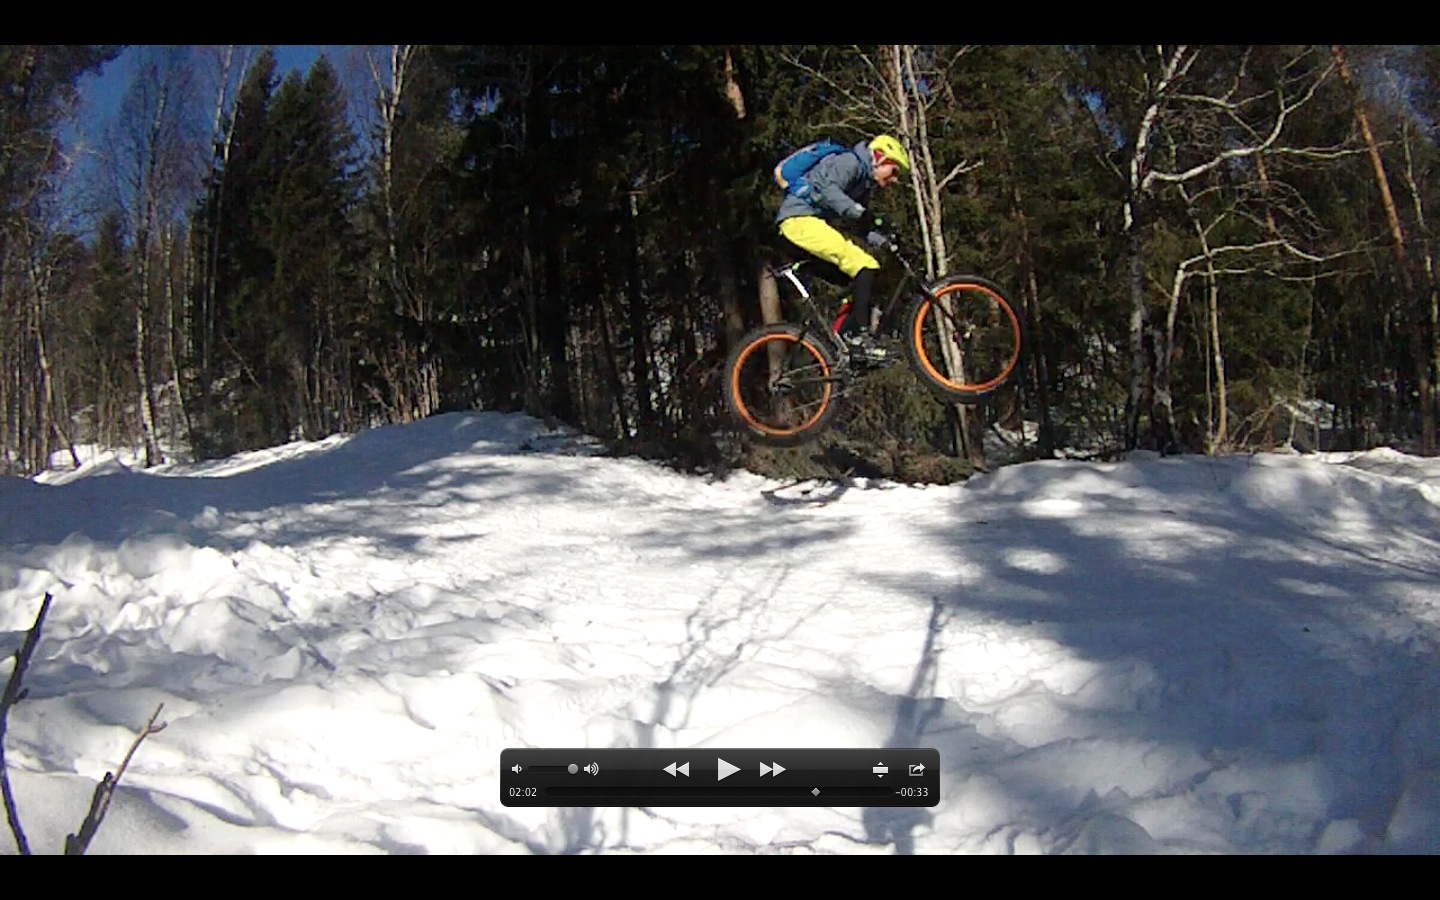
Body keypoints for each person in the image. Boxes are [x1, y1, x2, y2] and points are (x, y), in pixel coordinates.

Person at [775, 134, 910, 366]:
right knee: (864, 264)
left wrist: (887, 240)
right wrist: (862, 214)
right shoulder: (850, 162)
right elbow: (829, 191)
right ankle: (860, 339)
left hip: (804, 224)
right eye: (894, 171)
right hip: (798, 221)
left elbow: (859, 224)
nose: (895, 179)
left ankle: (842, 342)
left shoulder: (862, 184)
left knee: (858, 281)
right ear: (879, 157)